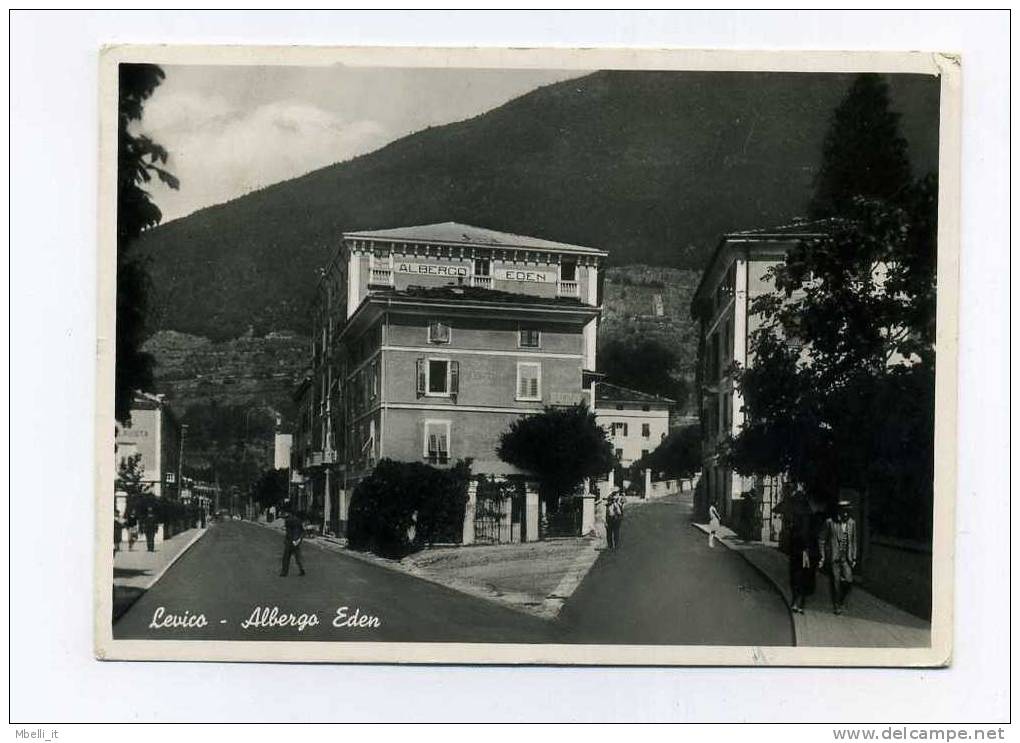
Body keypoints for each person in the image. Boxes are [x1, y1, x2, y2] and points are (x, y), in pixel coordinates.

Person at [818, 500, 858, 615]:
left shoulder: (852, 523)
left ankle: (840, 600)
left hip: (846, 558)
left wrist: (854, 557)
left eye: (847, 511)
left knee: (849, 581)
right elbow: (821, 539)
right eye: (843, 511)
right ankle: (837, 605)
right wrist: (823, 556)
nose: (845, 514)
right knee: (836, 582)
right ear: (839, 511)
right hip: (834, 558)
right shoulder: (830, 522)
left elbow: (854, 541)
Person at [786, 487, 816, 613]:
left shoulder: (805, 517)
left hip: (803, 552)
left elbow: (806, 535)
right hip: (802, 551)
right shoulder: (805, 516)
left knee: (799, 576)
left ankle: (798, 602)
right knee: (800, 576)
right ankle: (799, 602)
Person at [280, 509, 306, 577]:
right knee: (298, 557)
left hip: (289, 542)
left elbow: (289, 533)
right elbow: (302, 531)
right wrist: (298, 539)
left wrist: (287, 540)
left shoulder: (288, 521)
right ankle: (301, 569)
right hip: (296, 541)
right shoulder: (299, 521)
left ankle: (284, 572)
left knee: (286, 558)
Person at [605, 485, 627, 551]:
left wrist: (618, 503)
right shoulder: (609, 497)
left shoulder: (621, 497)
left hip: (617, 518)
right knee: (609, 533)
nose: (615, 493)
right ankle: (610, 546)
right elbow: (607, 507)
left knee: (616, 533)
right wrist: (611, 502)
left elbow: (622, 506)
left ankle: (616, 546)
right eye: (614, 492)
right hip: (610, 517)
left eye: (616, 492)